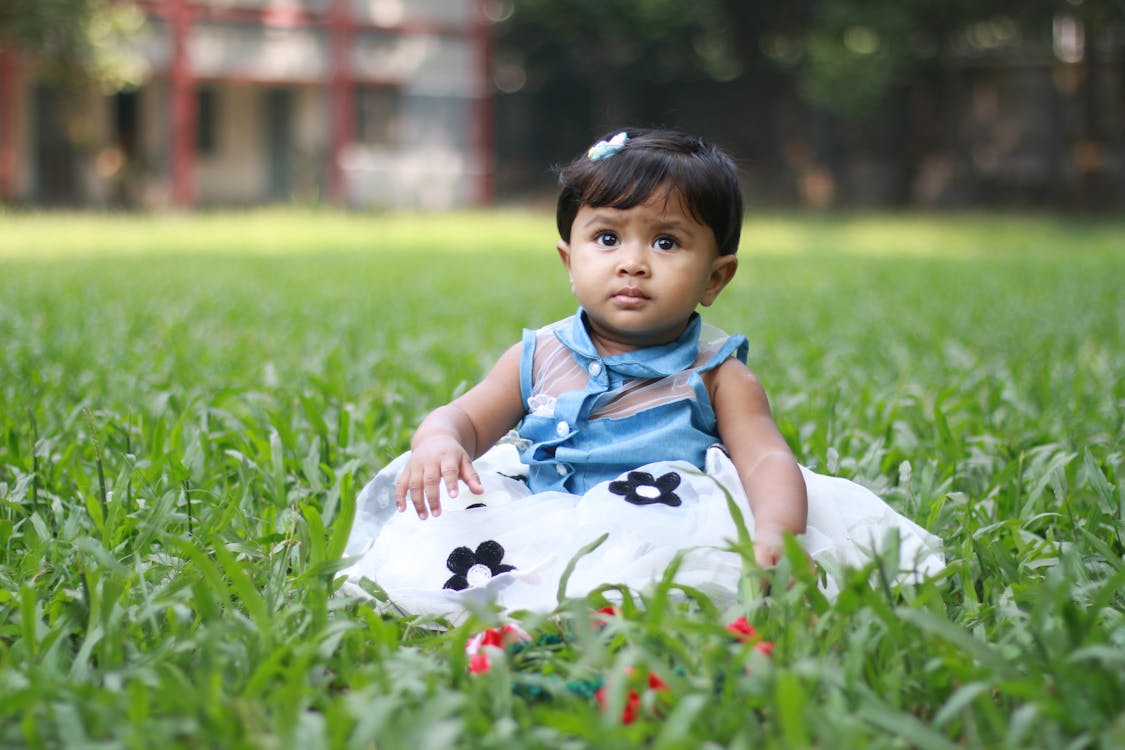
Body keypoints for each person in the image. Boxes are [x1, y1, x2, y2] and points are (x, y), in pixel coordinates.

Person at [339, 128, 943, 616]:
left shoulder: (715, 371)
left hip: (669, 519)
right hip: (546, 514)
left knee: (676, 576)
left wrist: (778, 531)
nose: (633, 263)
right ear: (568, 262)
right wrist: (440, 440)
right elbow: (467, 417)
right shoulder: (539, 354)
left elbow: (765, 459)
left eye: (666, 243)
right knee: (464, 550)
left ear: (715, 278)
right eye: (607, 237)